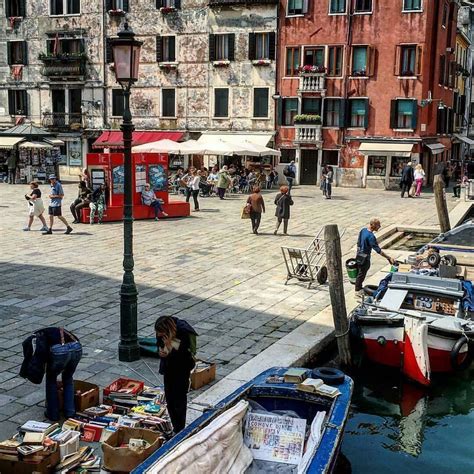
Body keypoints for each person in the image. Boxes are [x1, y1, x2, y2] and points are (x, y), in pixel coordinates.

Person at [20, 327, 82, 421]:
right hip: (77, 347)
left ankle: (53, 414)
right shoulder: (49, 332)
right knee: (68, 377)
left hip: (60, 351)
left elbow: (38, 356)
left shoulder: (36, 338)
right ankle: (70, 412)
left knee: (51, 379)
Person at [155, 316, 197, 434]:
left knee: (179, 398)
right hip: (168, 368)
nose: (158, 334)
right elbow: (158, 343)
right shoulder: (161, 333)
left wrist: (169, 346)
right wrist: (161, 351)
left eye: (160, 332)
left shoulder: (183, 331)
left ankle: (180, 428)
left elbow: (183, 355)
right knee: (169, 398)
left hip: (181, 369)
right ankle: (175, 427)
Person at [355, 218, 395, 297]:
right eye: (378, 225)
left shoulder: (363, 230)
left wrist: (359, 252)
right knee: (362, 274)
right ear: (372, 225)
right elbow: (378, 250)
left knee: (360, 273)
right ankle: (357, 290)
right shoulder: (371, 237)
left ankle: (358, 287)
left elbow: (358, 243)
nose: (379, 227)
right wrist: (388, 258)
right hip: (365, 258)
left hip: (359, 255)